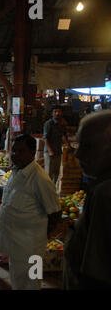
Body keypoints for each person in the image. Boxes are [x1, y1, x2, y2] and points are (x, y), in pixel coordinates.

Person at [0, 134, 61, 290]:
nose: (15, 155)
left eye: (21, 151)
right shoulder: (17, 172)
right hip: (15, 245)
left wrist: (39, 239)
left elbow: (55, 212)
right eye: (14, 151)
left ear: (32, 153)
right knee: (18, 282)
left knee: (32, 284)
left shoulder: (40, 179)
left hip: (31, 249)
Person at [63, 110, 111, 289]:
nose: (77, 155)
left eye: (88, 146)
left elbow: (96, 272)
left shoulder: (104, 194)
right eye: (78, 145)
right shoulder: (99, 188)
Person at [43, 105, 73, 184]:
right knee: (49, 172)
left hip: (58, 151)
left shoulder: (62, 124)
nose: (57, 113)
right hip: (49, 152)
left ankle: (53, 189)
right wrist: (50, 151)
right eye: (55, 112)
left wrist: (69, 146)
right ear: (52, 113)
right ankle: (46, 191)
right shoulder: (49, 124)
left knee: (56, 172)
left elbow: (64, 135)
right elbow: (45, 138)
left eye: (59, 111)